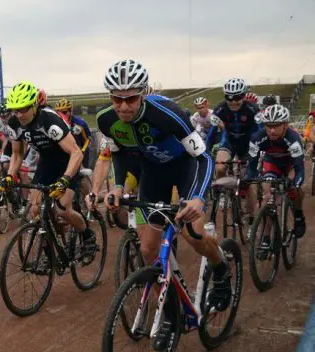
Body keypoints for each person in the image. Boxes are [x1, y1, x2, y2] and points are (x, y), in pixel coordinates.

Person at [98, 59, 231, 312]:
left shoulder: (168, 113)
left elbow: (203, 157)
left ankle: (221, 266)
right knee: (148, 250)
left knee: (194, 235)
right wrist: (116, 186)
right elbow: (118, 153)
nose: (123, 106)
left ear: (142, 95)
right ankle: (169, 308)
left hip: (185, 168)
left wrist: (198, 199)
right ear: (110, 96)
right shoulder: (106, 120)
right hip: (153, 172)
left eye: (131, 99)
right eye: (117, 99)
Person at [0, 81, 96, 253]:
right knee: (34, 210)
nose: (19, 114)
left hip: (67, 163)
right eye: (16, 110)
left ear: (34, 105)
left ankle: (87, 234)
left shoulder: (49, 121)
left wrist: (65, 179)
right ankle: (47, 254)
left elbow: (76, 153)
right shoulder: (14, 123)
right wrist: (9, 175)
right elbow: (17, 153)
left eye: (24, 109)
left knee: (62, 209)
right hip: (46, 162)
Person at [244, 104, 306, 238]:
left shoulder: (293, 139)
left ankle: (298, 215)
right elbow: (251, 167)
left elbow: (300, 170)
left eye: (276, 125)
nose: (272, 130)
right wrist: (248, 179)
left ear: (286, 124)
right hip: (272, 163)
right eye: (268, 125)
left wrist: (294, 184)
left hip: (291, 165)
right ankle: (266, 236)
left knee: (296, 189)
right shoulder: (257, 138)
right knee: (268, 198)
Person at [210, 77, 261, 220]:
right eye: (229, 97)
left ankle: (252, 218)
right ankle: (222, 193)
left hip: (248, 144)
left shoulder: (253, 109)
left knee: (248, 183)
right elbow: (212, 134)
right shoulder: (219, 109)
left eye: (237, 97)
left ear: (244, 95)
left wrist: (258, 149)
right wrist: (205, 150)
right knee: (220, 168)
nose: (233, 101)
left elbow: (260, 131)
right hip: (229, 142)